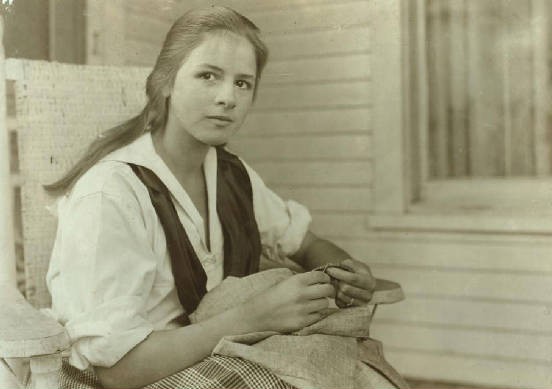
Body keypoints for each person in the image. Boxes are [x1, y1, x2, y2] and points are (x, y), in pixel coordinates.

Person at [43, 6, 380, 389]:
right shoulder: (110, 195)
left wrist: (347, 270)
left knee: (354, 368)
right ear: (166, 82)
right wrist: (256, 315)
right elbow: (117, 371)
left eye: (243, 83)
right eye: (208, 76)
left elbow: (306, 243)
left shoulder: (230, 174)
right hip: (137, 375)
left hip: (209, 358)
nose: (227, 98)